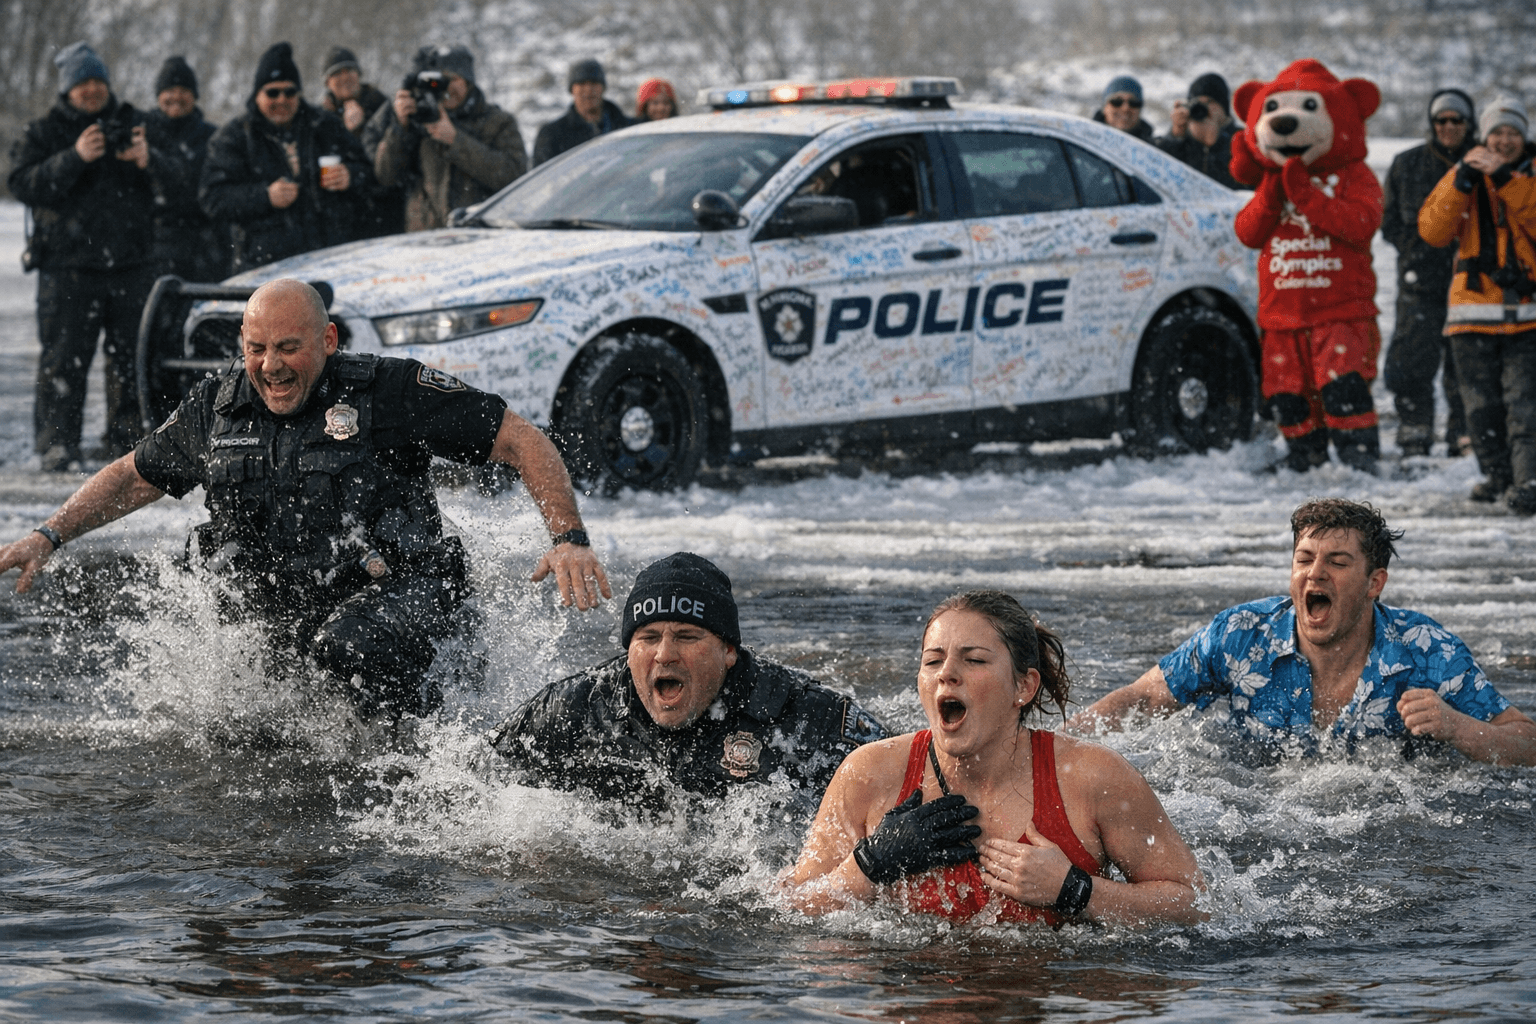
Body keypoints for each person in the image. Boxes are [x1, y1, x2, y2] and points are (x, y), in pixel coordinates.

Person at [0, 279, 611, 720]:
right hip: (297, 606)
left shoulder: (390, 391)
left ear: (328, 339)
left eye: (289, 348)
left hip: (407, 598)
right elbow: (135, 476)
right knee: (228, 647)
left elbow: (521, 440)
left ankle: (416, 767)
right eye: (256, 349)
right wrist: (47, 535)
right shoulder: (218, 405)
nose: (271, 367)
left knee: (345, 647)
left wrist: (568, 540)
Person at [786, 590, 1204, 926]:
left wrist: (1076, 891)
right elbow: (789, 906)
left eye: (974, 660)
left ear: (1023, 686)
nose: (946, 673)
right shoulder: (870, 774)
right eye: (933, 660)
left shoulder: (1094, 778)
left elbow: (1193, 906)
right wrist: (871, 864)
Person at [1071, 499, 1536, 765]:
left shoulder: (1425, 651)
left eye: (1337, 562)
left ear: (1374, 583)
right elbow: (1142, 700)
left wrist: (1457, 727)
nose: (1315, 575)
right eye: (1304, 559)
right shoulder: (1241, 634)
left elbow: (1527, 743)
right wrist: (1054, 748)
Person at [491, 552, 887, 816]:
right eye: (647, 638)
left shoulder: (808, 717)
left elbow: (916, 773)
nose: (664, 654)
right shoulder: (576, 708)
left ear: (728, 651)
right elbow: (470, 786)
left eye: (686, 636)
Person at [7, 41, 156, 471]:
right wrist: (73, 157)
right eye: (82, 82)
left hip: (130, 266)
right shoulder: (46, 131)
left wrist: (149, 160)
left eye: (97, 80)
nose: (91, 89)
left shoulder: (132, 123)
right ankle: (57, 445)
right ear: (67, 89)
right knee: (63, 360)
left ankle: (127, 442)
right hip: (67, 269)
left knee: (129, 360)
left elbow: (181, 183)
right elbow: (21, 182)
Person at [1419, 94, 1536, 513]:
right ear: (1484, 137)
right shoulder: (1462, 175)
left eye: (1513, 133)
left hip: (1527, 316)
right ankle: (1499, 477)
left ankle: (1528, 482)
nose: (1505, 141)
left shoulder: (1529, 176)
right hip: (1472, 315)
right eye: (1497, 133)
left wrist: (1505, 177)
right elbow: (1432, 229)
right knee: (1480, 409)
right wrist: (1462, 178)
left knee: (1525, 405)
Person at [199, 42, 371, 273]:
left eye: (289, 92)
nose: (282, 100)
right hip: (265, 265)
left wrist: (350, 175)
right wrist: (264, 196)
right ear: (258, 95)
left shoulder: (324, 125)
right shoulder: (234, 137)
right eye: (272, 92)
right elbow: (212, 197)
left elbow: (369, 170)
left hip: (330, 258)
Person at [1381, 89, 1476, 458]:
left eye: (1457, 120)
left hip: (1470, 283)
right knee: (1410, 364)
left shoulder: (1484, 164)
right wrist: (1417, 251)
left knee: (1466, 366)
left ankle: (1464, 436)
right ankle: (1414, 431)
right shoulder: (1406, 163)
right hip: (1419, 282)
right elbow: (1388, 223)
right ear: (1432, 124)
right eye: (1442, 120)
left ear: (1469, 124)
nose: (1449, 127)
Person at [373, 44, 526, 232]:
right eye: (439, 80)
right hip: (427, 238)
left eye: (453, 79)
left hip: (481, 235)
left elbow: (514, 176)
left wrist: (455, 140)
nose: (446, 88)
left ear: (468, 82)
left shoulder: (498, 122)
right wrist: (400, 127)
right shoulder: (418, 121)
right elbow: (387, 176)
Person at [142, 56, 225, 283]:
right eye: (169, 89)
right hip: (149, 249)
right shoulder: (141, 134)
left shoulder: (213, 137)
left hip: (203, 249)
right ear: (159, 95)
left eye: (183, 90)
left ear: (194, 96)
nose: (176, 96)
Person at [531, 59, 631, 167]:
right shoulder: (551, 136)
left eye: (594, 82)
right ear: (572, 89)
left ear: (603, 87)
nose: (588, 89)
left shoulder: (629, 128)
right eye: (582, 83)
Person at [1156, 72, 1241, 189]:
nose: (1203, 107)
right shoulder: (1182, 140)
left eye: (1210, 102)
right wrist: (1175, 136)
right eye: (1197, 102)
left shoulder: (1242, 139)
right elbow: (1157, 170)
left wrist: (1216, 143)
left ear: (1223, 108)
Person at [319, 47, 387, 139]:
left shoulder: (381, 106)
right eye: (337, 73)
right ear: (327, 83)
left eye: (349, 70)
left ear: (358, 74)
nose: (345, 77)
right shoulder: (320, 119)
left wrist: (361, 129)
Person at [1092, 75, 1154, 143]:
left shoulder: (1154, 150)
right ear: (1104, 107)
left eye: (1133, 103)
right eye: (1117, 102)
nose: (1125, 108)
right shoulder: (1084, 140)